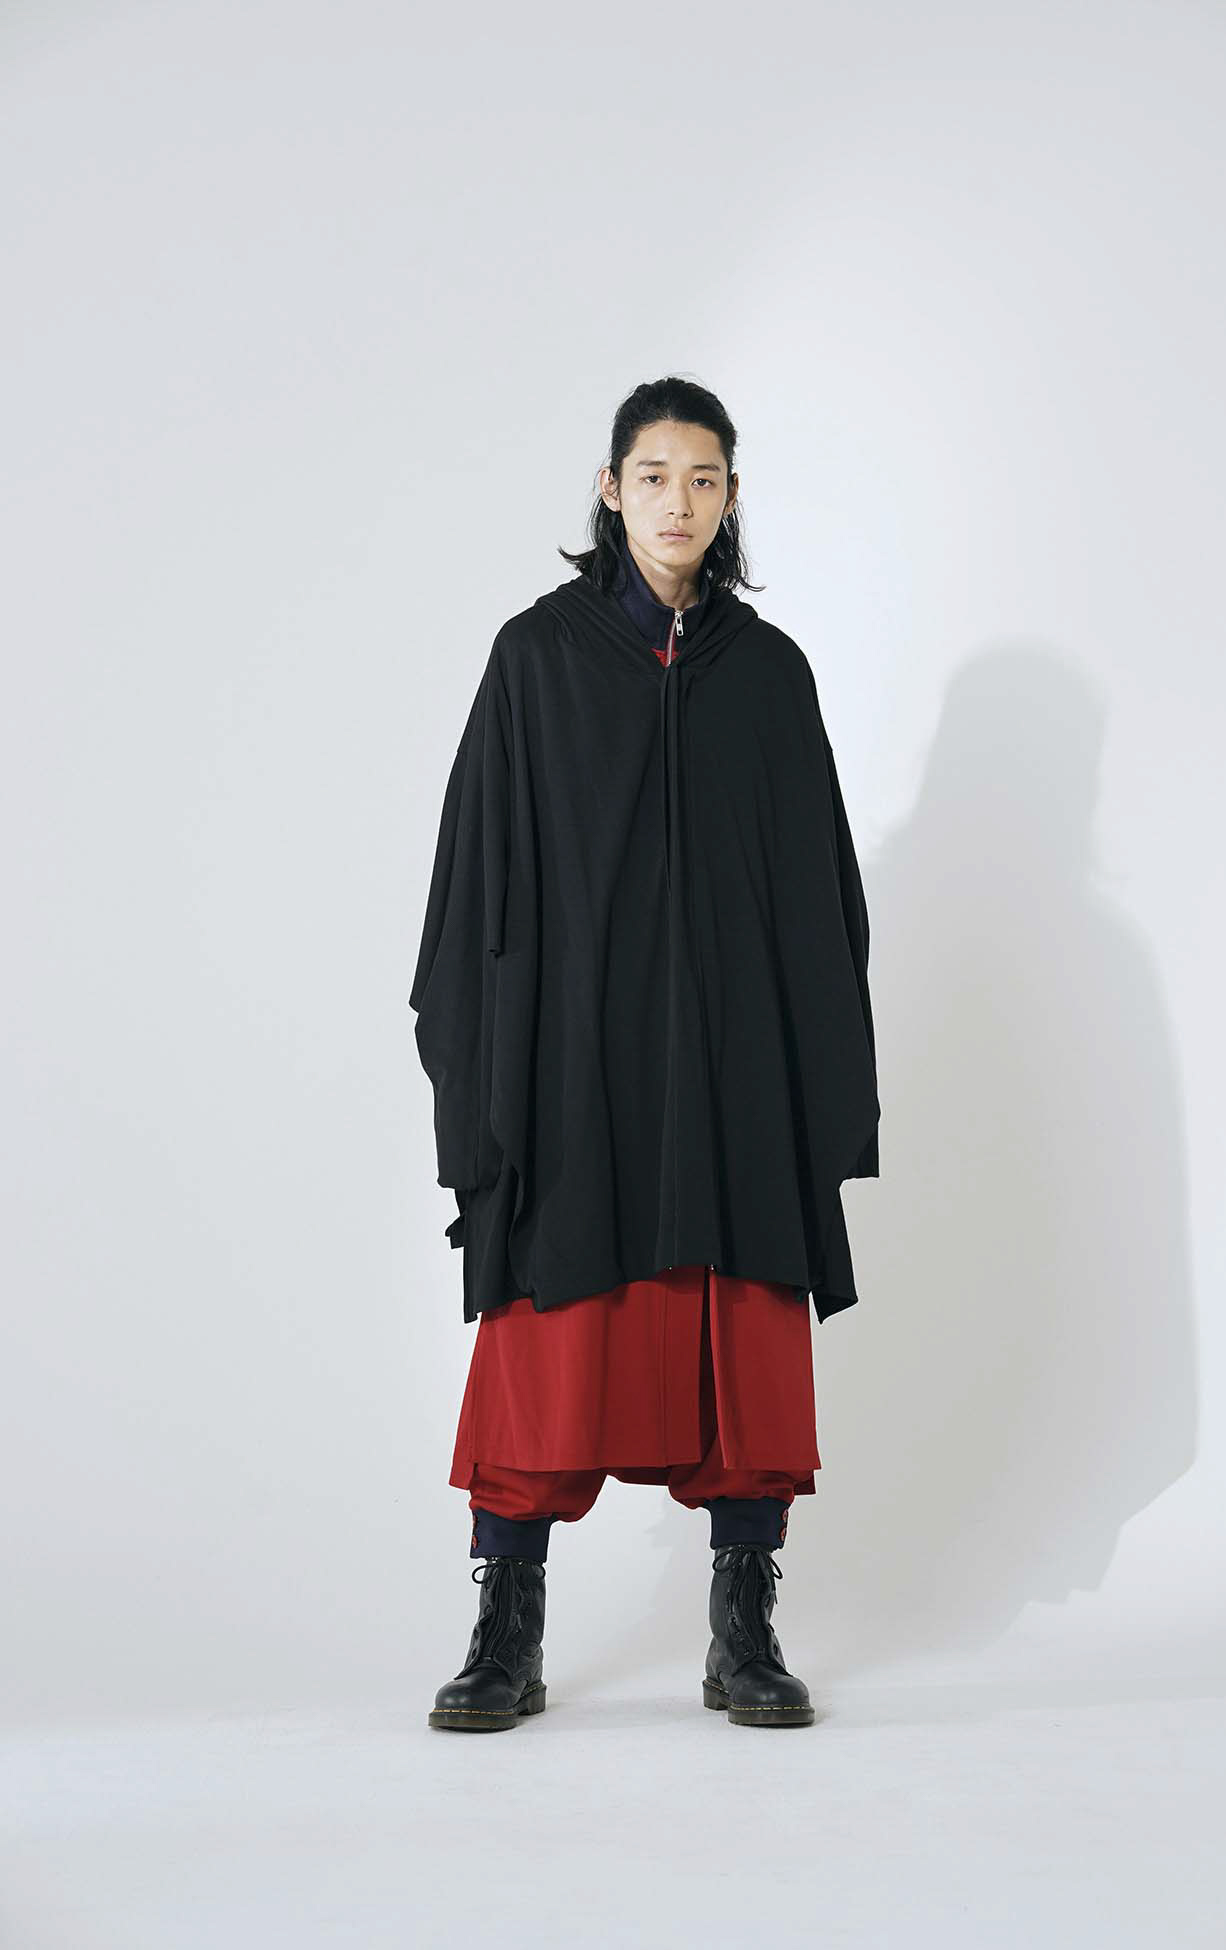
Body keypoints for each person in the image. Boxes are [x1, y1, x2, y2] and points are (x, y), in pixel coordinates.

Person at [408, 376, 880, 1732]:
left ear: (731, 499)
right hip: (575, 1067)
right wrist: (491, 1071)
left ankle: (744, 1627)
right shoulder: (536, 660)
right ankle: (505, 1629)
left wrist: (809, 1075)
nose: (680, 501)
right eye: (656, 475)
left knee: (742, 1331)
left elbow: (820, 895)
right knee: (546, 1337)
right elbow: (475, 878)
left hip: (730, 1069)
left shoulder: (770, 677)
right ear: (612, 489)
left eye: (705, 478)